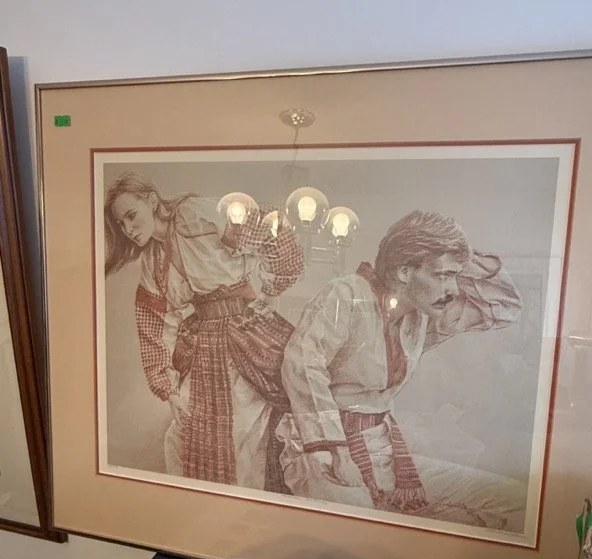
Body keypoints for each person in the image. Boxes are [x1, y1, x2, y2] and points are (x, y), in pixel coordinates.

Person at [279, 210, 523, 517]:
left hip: (384, 450)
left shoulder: (421, 316)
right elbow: (302, 364)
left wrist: (459, 251)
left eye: (455, 276)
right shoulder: (347, 294)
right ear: (405, 271)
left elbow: (505, 306)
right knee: (367, 528)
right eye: (443, 276)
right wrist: (333, 449)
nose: (454, 289)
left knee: (512, 498)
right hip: (322, 451)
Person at [104, 172, 304, 491]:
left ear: (152, 201)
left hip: (247, 330)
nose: (128, 229)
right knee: (184, 434)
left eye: (131, 216)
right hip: (205, 340)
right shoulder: (153, 259)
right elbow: (154, 324)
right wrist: (169, 390)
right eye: (121, 223)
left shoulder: (192, 215)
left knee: (246, 431)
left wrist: (268, 289)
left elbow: (272, 227)